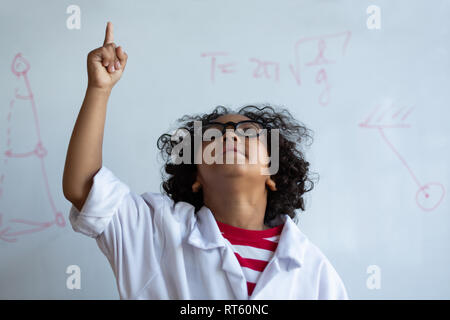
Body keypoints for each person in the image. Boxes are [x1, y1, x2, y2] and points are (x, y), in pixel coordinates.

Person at [63, 21, 349, 300]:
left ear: (272, 172)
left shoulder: (315, 271)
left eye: (248, 133)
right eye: (213, 135)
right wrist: (99, 90)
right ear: (196, 176)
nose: (231, 137)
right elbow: (83, 187)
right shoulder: (158, 232)